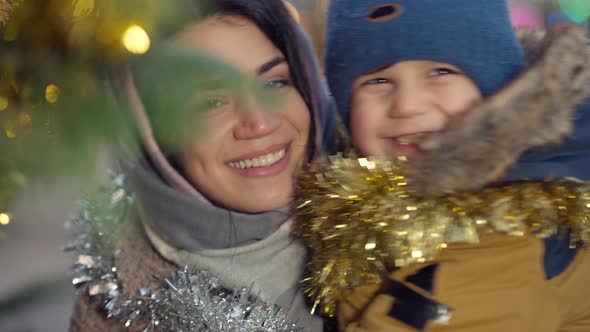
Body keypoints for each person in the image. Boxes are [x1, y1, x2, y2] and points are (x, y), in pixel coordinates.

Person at [295, 0, 590, 331]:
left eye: (441, 72)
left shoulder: (505, 233)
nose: (407, 106)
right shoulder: (368, 200)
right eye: (378, 80)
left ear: (499, 93)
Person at [68, 0, 337, 331]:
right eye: (212, 101)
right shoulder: (115, 308)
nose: (260, 122)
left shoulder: (392, 229)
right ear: (152, 137)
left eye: (274, 83)